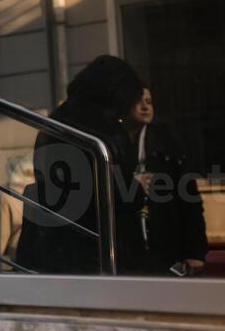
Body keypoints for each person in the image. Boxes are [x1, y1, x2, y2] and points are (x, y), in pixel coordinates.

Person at [16, 55, 150, 275]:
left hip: (58, 243)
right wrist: (137, 192)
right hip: (96, 247)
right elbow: (113, 191)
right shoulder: (102, 130)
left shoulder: (58, 120)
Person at [122, 87, 208, 276]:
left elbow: (190, 199)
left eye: (150, 102)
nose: (146, 107)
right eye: (139, 101)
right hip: (131, 250)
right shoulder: (114, 142)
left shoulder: (167, 141)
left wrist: (195, 252)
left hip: (165, 246)